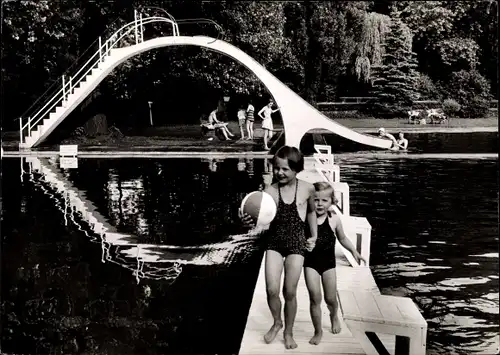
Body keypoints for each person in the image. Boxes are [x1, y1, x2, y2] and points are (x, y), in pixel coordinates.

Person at [240, 146, 318, 350]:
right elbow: (260, 220)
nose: (279, 173)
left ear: (296, 169)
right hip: (274, 243)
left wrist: (314, 235)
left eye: (285, 169)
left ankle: (288, 332)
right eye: (276, 168)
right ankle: (277, 321)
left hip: (296, 244)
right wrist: (247, 220)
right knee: (272, 289)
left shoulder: (307, 188)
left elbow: (311, 212)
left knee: (289, 291)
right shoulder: (269, 191)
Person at [304, 182, 366, 345]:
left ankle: (334, 315)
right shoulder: (304, 218)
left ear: (332, 201)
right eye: (315, 200)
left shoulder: (334, 220)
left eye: (324, 200)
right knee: (314, 298)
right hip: (310, 263)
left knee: (330, 298)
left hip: (328, 264)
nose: (319, 204)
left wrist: (354, 251)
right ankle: (318, 331)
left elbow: (343, 238)